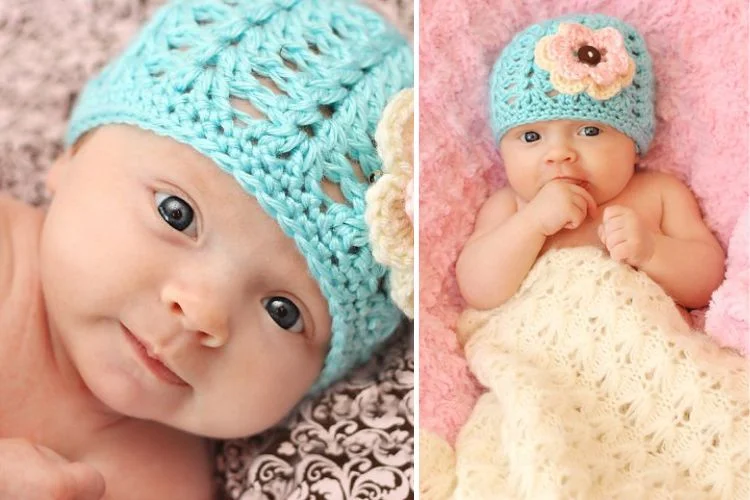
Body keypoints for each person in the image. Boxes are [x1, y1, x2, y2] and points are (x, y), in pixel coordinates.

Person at [0, 0, 413, 498]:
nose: (202, 312)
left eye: (283, 312)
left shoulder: (155, 480)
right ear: (72, 157)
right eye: (177, 213)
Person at [456, 14, 724, 313]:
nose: (559, 153)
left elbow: (710, 280)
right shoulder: (510, 207)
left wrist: (652, 251)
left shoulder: (659, 193)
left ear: (634, 144)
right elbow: (477, 289)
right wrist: (531, 224)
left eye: (589, 131)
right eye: (531, 136)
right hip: (532, 345)